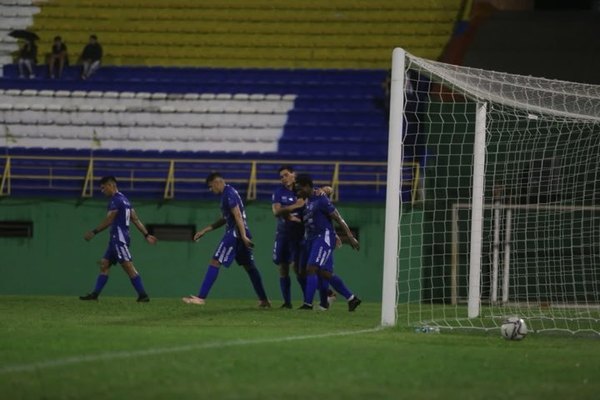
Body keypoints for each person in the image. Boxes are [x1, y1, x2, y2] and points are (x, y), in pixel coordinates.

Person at [182, 172, 271, 308]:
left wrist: (243, 236)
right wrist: (205, 230)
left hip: (235, 233)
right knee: (250, 267)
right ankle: (264, 300)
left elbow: (237, 216)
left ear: (217, 182)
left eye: (211, 187)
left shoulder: (228, 194)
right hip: (240, 232)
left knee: (216, 261)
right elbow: (225, 218)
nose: (211, 190)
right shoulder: (228, 193)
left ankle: (200, 298)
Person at [79, 176, 157, 302]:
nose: (102, 191)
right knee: (104, 264)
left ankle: (143, 295)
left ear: (111, 186)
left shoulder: (115, 200)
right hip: (117, 239)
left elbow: (110, 219)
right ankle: (94, 295)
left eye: (103, 188)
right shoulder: (125, 200)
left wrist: (94, 231)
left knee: (128, 267)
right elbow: (135, 219)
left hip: (119, 239)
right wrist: (146, 235)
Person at [294, 174, 362, 311]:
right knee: (324, 273)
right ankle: (351, 298)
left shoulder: (321, 199)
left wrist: (350, 236)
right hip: (311, 239)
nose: (298, 192)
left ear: (307, 186)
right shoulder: (307, 201)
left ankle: (307, 305)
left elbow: (338, 218)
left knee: (312, 268)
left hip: (322, 237)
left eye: (300, 189)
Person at [271, 165, 307, 308]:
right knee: (282, 267)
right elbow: (276, 211)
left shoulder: (302, 191)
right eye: (281, 177)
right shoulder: (279, 192)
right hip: (282, 234)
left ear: (294, 174)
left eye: (286, 175)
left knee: (297, 268)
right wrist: (294, 207)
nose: (283, 178)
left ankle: (307, 301)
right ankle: (287, 302)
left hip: (298, 235)